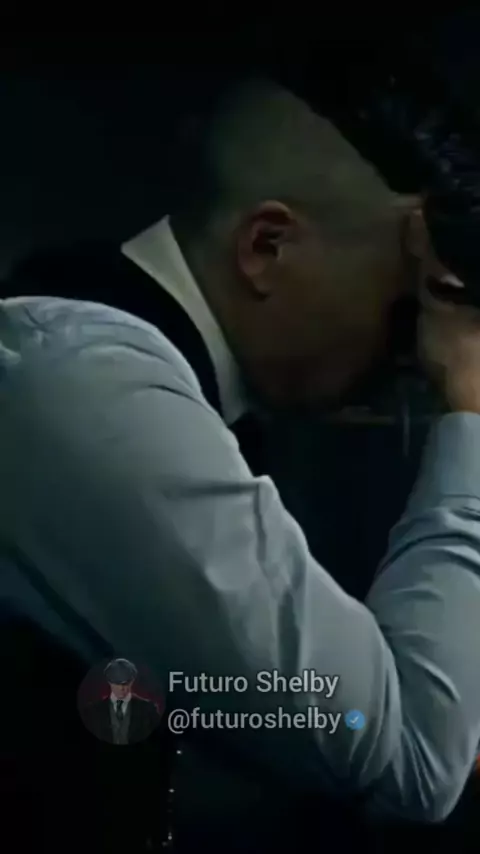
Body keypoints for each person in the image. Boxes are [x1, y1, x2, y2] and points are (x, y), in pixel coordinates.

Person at [2, 78, 480, 851]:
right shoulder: (85, 383)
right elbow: (412, 759)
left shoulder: (102, 365)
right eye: (406, 304)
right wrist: (472, 407)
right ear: (266, 246)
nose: (418, 352)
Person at [81, 658, 161, 745]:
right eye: (117, 683)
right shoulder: (92, 712)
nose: (121, 688)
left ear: (132, 681)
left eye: (126, 683)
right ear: (109, 682)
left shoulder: (148, 710)